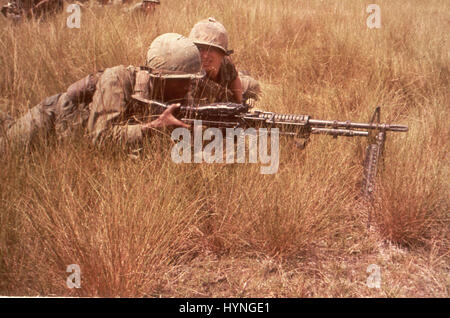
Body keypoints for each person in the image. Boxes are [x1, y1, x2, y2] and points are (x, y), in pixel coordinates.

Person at [0, 33, 203, 151]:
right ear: (160, 78)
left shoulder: (174, 92)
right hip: (51, 120)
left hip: (67, 141)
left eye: (191, 80)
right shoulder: (117, 79)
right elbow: (100, 137)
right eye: (183, 80)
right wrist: (154, 126)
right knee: (6, 148)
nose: (188, 86)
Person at [188, 17, 261, 105]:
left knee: (253, 86)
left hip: (228, 92)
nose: (205, 55)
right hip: (213, 104)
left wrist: (242, 106)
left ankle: (244, 74)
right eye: (200, 49)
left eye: (211, 49)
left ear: (222, 54)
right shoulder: (189, 74)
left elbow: (238, 101)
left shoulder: (227, 64)